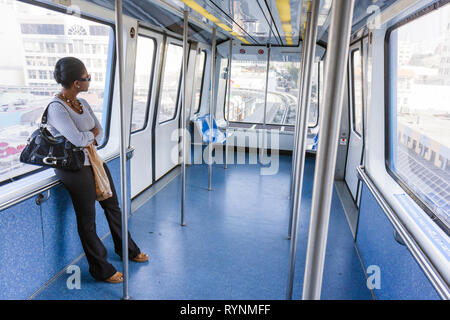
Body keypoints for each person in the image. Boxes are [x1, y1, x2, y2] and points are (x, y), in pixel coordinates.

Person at [47, 57, 148, 284]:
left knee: (112, 206)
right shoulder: (56, 108)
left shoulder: (82, 103)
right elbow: (76, 139)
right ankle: (100, 269)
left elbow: (98, 131)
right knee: (87, 220)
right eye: (87, 78)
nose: (89, 81)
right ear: (76, 83)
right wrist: (88, 136)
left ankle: (127, 249)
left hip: (92, 162)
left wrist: (88, 137)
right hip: (72, 168)